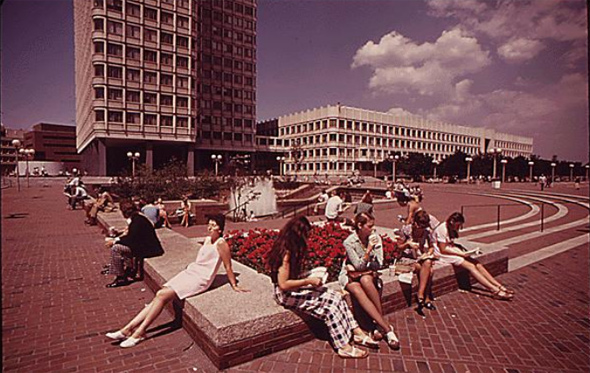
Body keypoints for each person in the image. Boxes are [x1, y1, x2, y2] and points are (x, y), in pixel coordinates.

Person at [105, 214, 248, 348]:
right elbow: (201, 260)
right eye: (209, 224)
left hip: (201, 279)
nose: (209, 227)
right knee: (159, 295)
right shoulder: (207, 239)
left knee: (161, 295)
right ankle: (127, 329)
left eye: (213, 225)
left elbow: (228, 266)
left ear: (220, 228)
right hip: (191, 272)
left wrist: (234, 285)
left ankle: (140, 332)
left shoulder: (221, 244)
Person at [266, 216, 377, 359]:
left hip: (293, 287)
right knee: (329, 307)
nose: (307, 238)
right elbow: (283, 284)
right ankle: (343, 346)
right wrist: (308, 281)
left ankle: (356, 332)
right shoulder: (286, 254)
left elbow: (291, 277)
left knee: (336, 296)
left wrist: (311, 276)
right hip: (285, 294)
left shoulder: (289, 247)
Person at [338, 212, 401, 349]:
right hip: (350, 275)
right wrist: (368, 251)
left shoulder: (375, 238)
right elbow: (358, 266)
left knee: (366, 280)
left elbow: (379, 263)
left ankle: (379, 325)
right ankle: (387, 328)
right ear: (360, 226)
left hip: (367, 273)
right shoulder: (349, 242)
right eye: (369, 226)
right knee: (356, 289)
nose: (373, 229)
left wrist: (368, 261)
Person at [432, 212, 514, 300]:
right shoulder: (442, 229)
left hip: (450, 250)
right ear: (452, 222)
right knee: (471, 266)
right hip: (442, 254)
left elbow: (449, 244)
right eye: (458, 225)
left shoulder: (450, 228)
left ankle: (499, 286)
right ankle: (494, 290)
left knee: (477, 263)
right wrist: (462, 254)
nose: (458, 228)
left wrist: (466, 252)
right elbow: (443, 249)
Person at [104, 199, 164, 288]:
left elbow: (131, 239)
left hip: (149, 249)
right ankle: (127, 269)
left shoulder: (137, 221)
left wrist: (114, 240)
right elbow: (131, 235)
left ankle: (120, 277)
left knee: (116, 248)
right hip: (144, 246)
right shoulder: (137, 218)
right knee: (122, 247)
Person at [398, 210, 438, 311]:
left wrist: (429, 253)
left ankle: (421, 296)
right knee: (429, 270)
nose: (422, 229)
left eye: (424, 227)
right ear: (415, 223)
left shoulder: (427, 232)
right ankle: (425, 297)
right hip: (406, 260)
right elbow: (398, 247)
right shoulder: (406, 229)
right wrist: (407, 244)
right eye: (420, 226)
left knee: (428, 264)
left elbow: (431, 246)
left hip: (419, 258)